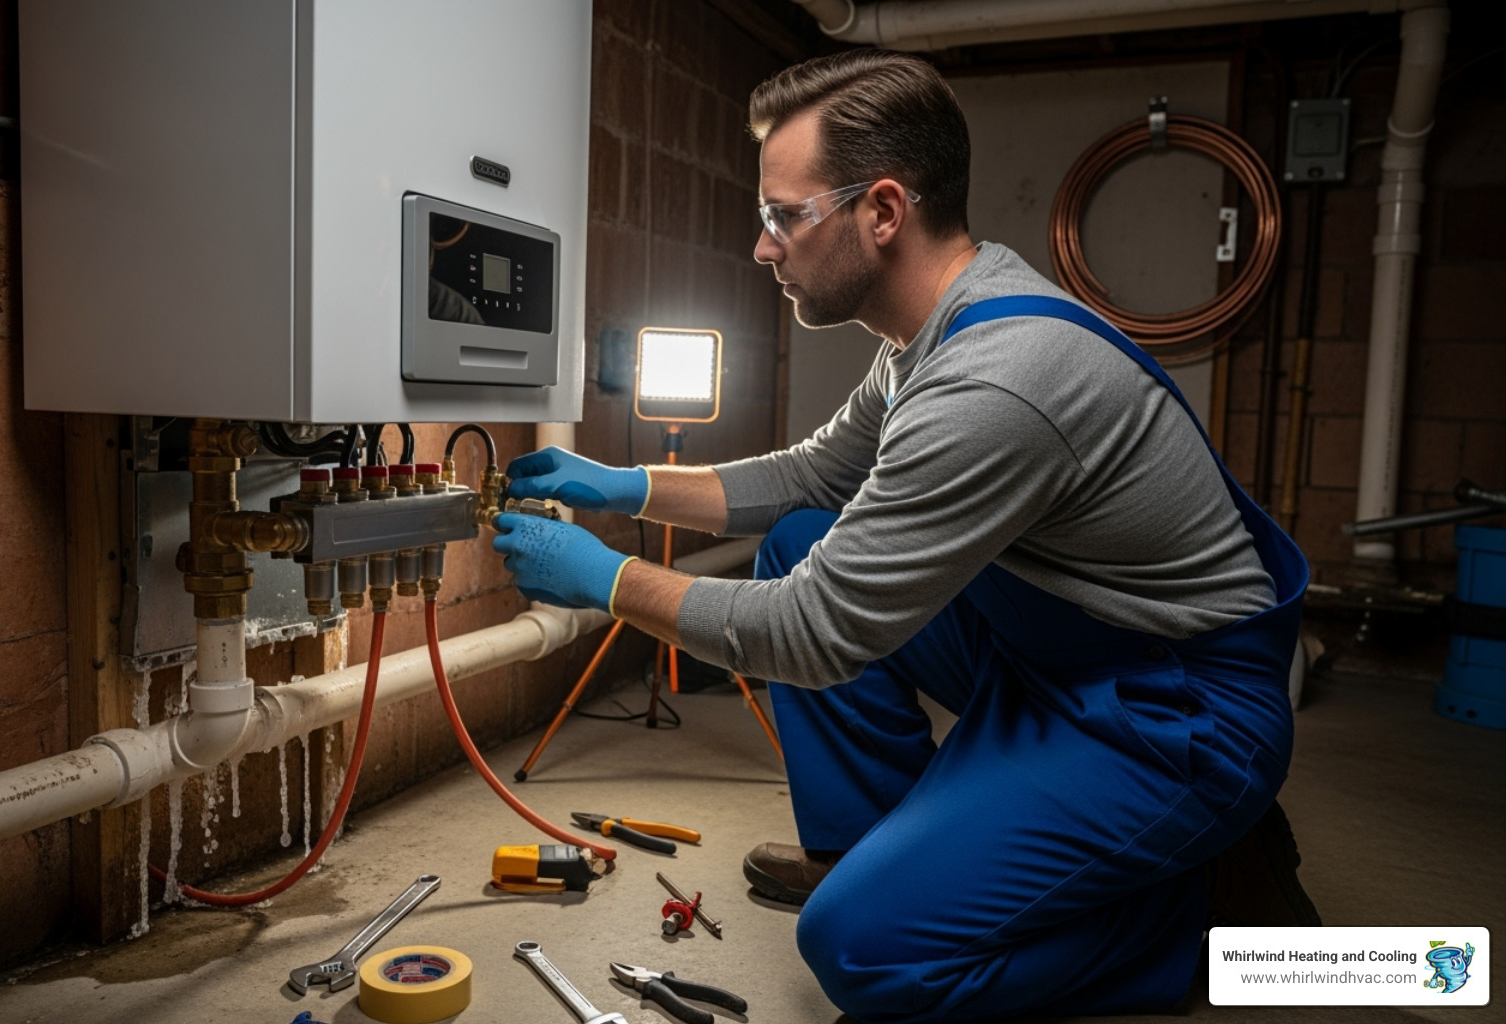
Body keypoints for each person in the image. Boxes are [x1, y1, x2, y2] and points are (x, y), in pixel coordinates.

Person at [491, 49, 1319, 1023]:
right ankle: (871, 845)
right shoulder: (933, 331)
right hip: (1060, 653)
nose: (763, 248)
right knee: (801, 535)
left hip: (1172, 713)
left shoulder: (995, 381)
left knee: (865, 952)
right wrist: (625, 484)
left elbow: (815, 635)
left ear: (883, 212)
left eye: (782, 216)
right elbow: (812, 477)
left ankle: (1193, 907)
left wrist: (608, 579)